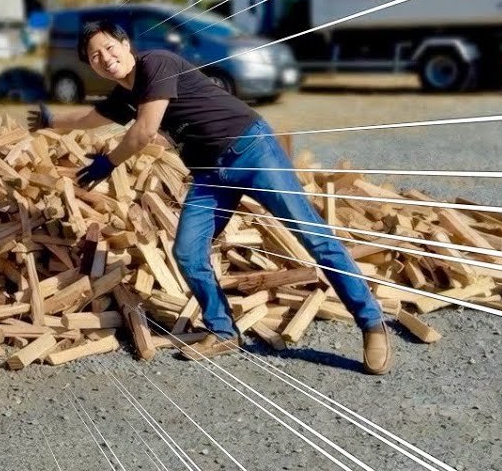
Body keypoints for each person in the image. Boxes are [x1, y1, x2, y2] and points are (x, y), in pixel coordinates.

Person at [28, 19, 392, 374]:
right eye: (94, 56)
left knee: (312, 236)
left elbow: (145, 130)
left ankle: (372, 324)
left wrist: (108, 163)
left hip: (251, 150)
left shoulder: (157, 63)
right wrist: (50, 119)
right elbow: (90, 118)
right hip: (210, 174)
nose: (105, 58)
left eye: (109, 47)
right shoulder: (125, 94)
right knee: (187, 251)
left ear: (126, 45)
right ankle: (222, 330)